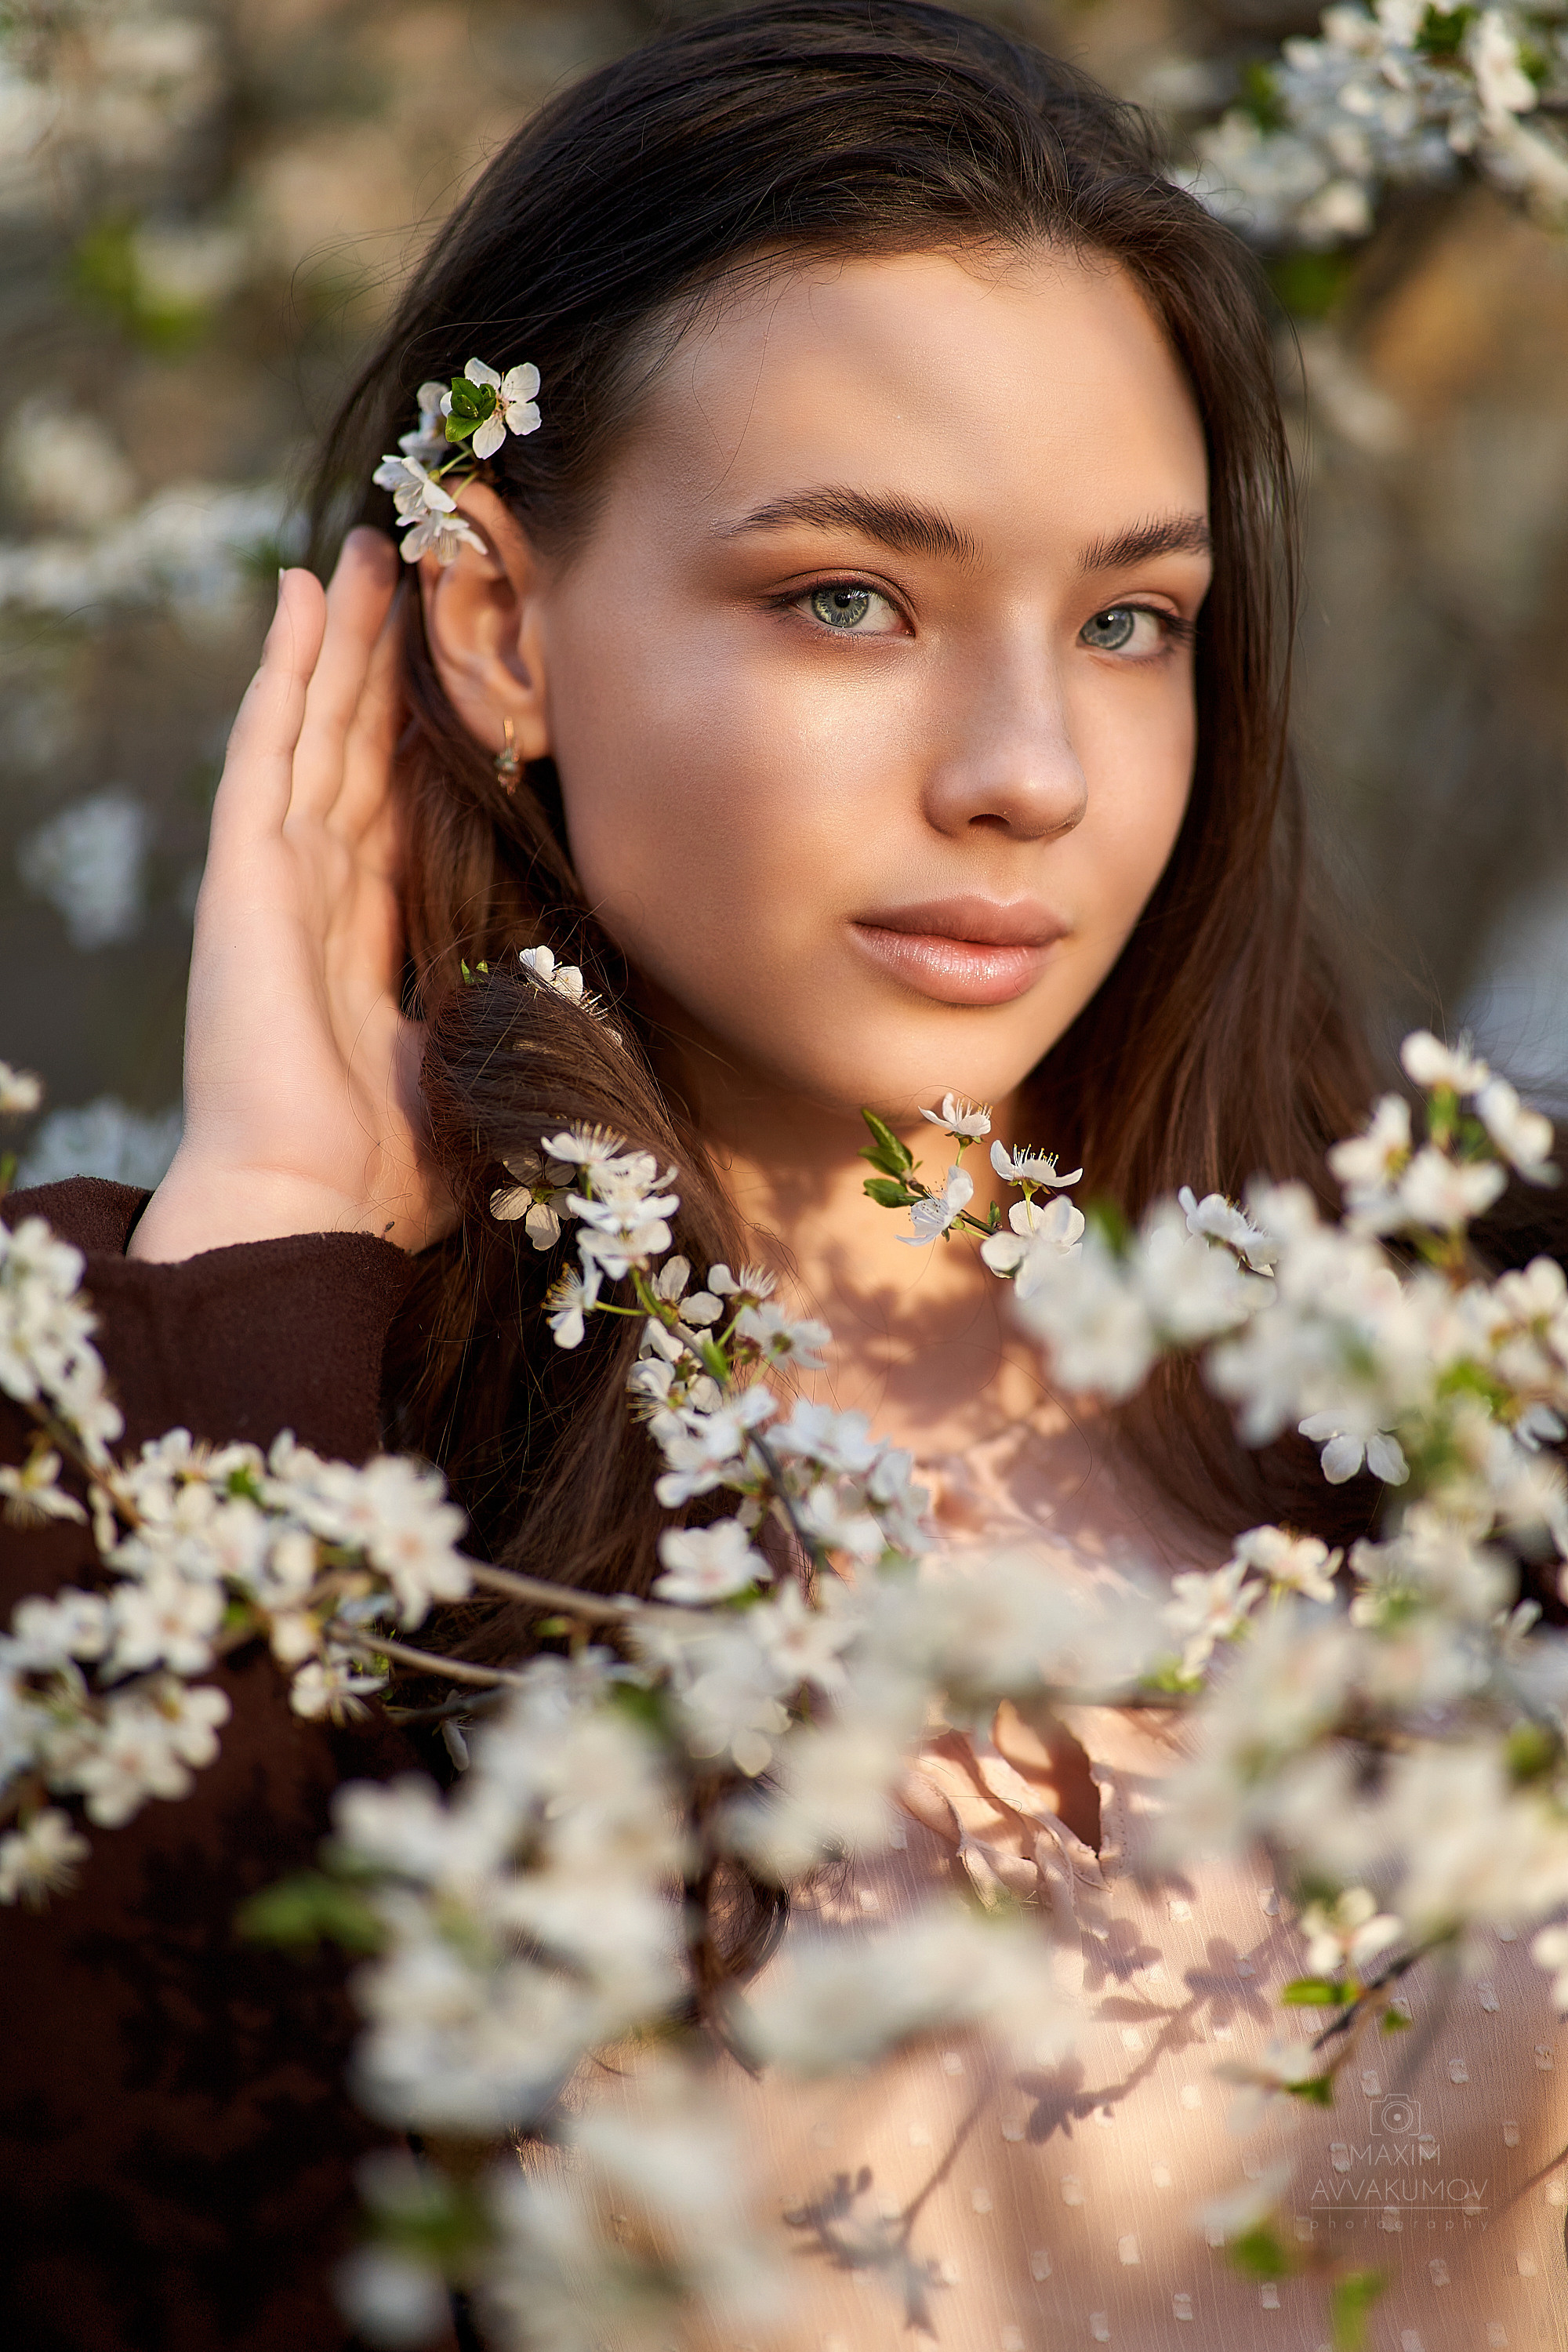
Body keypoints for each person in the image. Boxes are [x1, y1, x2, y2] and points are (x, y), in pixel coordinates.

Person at [3, 5, 1565, 2347]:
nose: (1029, 771)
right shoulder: (150, 1427)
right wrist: (259, 1263)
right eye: (849, 596)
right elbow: (137, 2223)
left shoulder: (1470, 1342)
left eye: (1129, 620)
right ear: (501, 621)